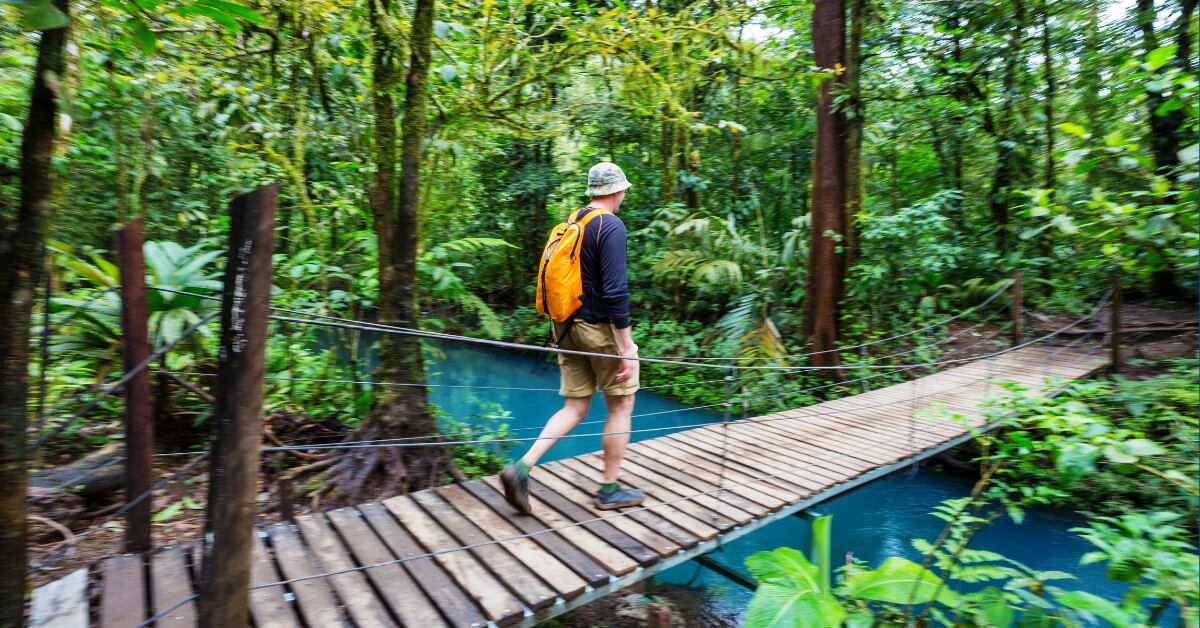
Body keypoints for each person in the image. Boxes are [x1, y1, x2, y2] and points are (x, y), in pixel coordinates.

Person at [501, 162, 644, 512]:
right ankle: (609, 490)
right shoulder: (610, 225)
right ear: (615, 192)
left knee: (576, 405)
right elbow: (615, 290)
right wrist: (626, 347)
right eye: (622, 190)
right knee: (621, 403)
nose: (623, 195)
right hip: (599, 330)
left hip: (565, 328)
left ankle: (522, 467)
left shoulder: (572, 222)